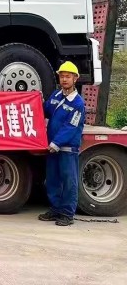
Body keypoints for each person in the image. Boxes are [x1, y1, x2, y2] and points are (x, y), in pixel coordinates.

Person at [38, 61, 85, 226]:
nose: (64, 79)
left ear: (75, 79)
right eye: (62, 76)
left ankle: (67, 214)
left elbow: (71, 126)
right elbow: (44, 111)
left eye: (68, 76)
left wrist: (56, 142)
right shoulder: (56, 96)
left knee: (68, 180)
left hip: (66, 148)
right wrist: (36, 100)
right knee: (52, 180)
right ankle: (56, 209)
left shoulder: (77, 103)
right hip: (53, 148)